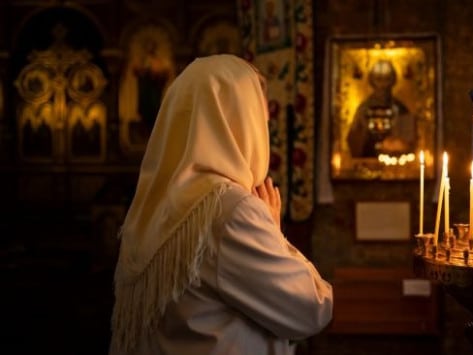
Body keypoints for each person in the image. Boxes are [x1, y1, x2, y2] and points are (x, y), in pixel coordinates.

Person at [109, 54, 333, 355]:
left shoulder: (153, 203)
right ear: (241, 122)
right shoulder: (232, 210)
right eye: (259, 116)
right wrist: (275, 234)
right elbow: (312, 310)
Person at [346, 59, 416, 158]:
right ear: (372, 81)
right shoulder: (363, 109)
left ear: (393, 81)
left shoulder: (401, 109)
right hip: (368, 158)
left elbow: (409, 142)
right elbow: (352, 140)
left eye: (387, 79)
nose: (383, 85)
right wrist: (364, 129)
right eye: (379, 79)